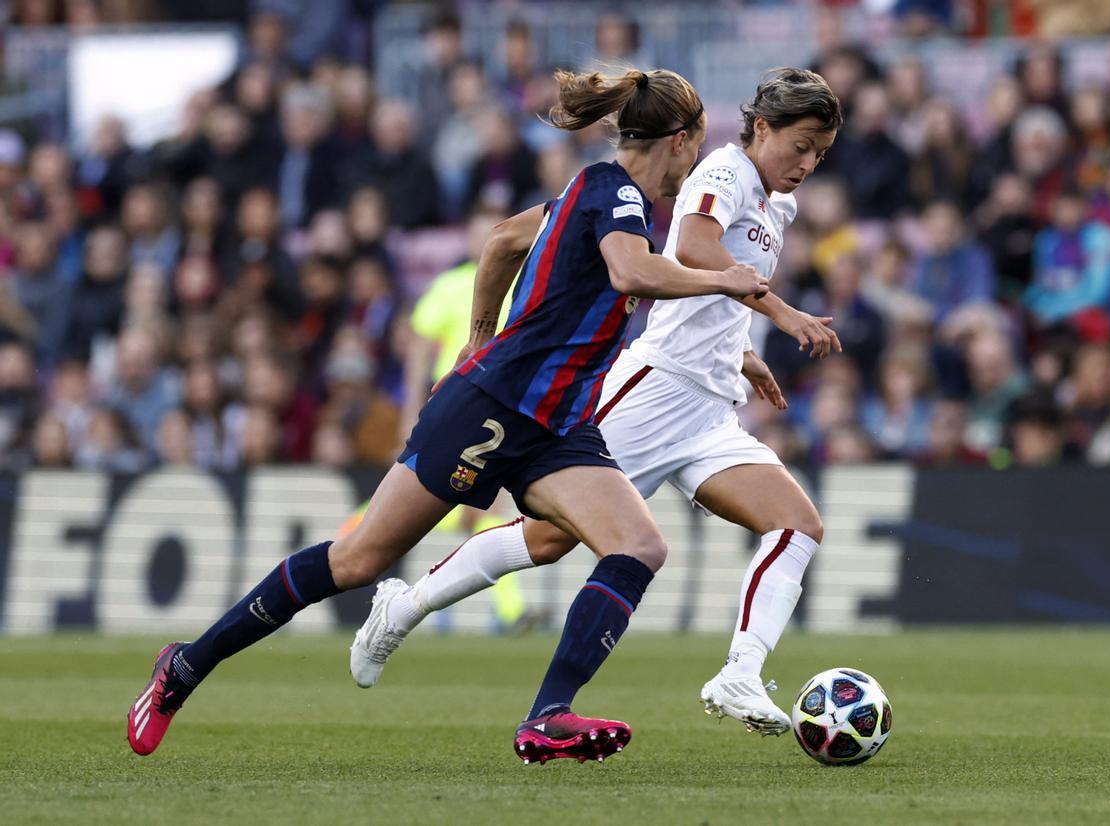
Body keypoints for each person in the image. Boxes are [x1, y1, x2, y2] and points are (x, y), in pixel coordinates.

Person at [128, 67, 769, 764]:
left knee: (639, 546)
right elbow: (630, 274)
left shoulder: (589, 196)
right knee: (359, 558)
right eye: (698, 150)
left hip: (556, 425)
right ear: (680, 141)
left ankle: (548, 716)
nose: (694, 169)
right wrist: (724, 279)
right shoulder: (613, 193)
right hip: (492, 410)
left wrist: (478, 335)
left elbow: (498, 242)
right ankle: (184, 668)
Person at [351, 69, 844, 737]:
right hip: (654, 390)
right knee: (550, 540)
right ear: (760, 128)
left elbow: (707, 287)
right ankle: (404, 607)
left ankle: (740, 674)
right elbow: (697, 248)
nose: (808, 164)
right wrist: (783, 317)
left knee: (796, 526)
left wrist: (741, 352)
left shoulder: (775, 203)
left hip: (708, 408)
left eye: (821, 153)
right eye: (802, 145)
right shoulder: (723, 172)